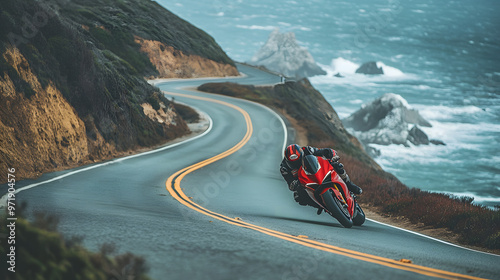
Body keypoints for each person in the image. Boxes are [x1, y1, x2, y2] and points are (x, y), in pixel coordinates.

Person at [279, 144, 362, 214]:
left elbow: (322, 151)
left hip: (318, 170)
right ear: (287, 161)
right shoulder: (284, 168)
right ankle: (320, 205)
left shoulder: (307, 150)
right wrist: (293, 184)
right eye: (293, 163)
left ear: (302, 154)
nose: (297, 164)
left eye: (298, 161)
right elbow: (289, 183)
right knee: (298, 197)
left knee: (337, 166)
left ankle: (349, 185)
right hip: (305, 182)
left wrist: (331, 154)